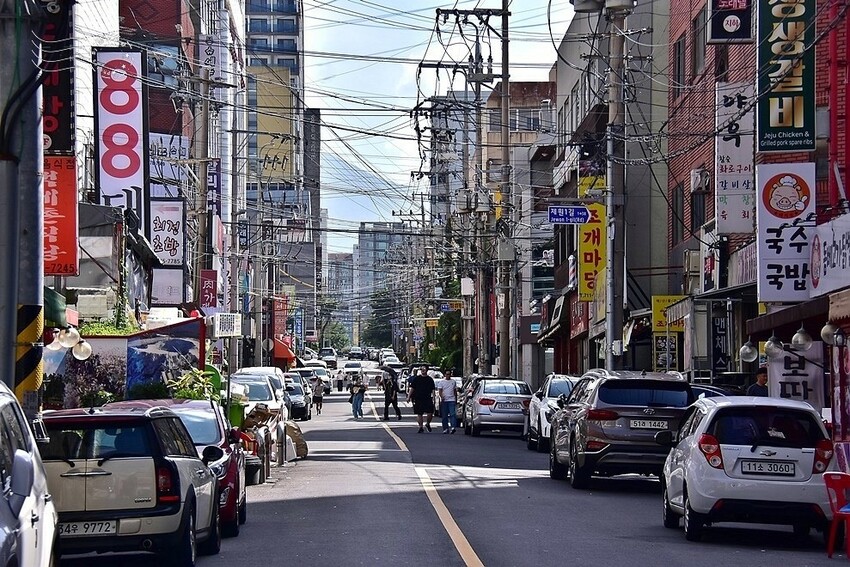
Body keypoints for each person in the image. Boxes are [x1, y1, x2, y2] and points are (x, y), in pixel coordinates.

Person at [409, 366, 436, 433]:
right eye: (421, 369)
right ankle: (421, 427)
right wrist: (408, 396)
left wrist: (434, 398)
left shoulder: (430, 379)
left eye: (424, 369)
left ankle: (428, 423)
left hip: (427, 398)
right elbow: (412, 388)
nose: (422, 370)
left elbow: (433, 390)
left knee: (430, 413)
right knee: (419, 413)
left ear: (427, 370)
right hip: (418, 398)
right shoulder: (417, 379)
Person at [436, 369, 458, 434]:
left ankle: (453, 427)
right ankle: (445, 428)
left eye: (449, 374)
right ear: (445, 375)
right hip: (445, 400)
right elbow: (440, 391)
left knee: (452, 414)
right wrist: (442, 397)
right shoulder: (441, 382)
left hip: (452, 400)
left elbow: (454, 391)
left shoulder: (453, 382)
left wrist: (455, 399)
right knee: (444, 415)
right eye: (447, 374)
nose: (448, 375)